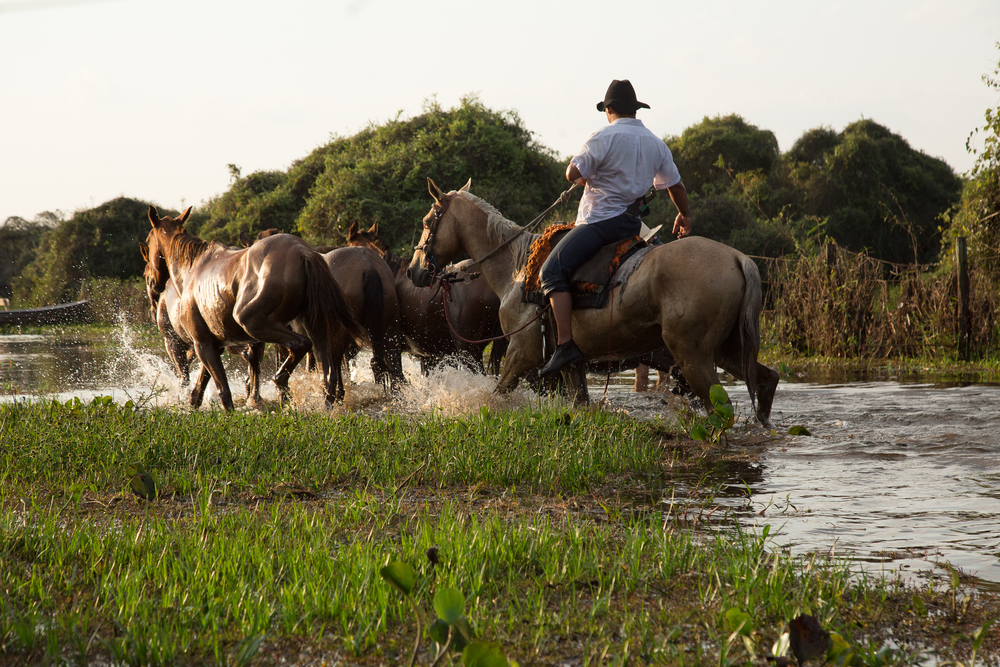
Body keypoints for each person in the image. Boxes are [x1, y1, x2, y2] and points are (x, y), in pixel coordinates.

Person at [538, 79, 692, 377]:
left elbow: (572, 172)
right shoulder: (655, 142)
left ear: (609, 109)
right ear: (634, 110)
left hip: (601, 222)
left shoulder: (603, 136)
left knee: (551, 271)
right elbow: (675, 185)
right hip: (632, 225)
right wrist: (684, 215)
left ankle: (565, 345)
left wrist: (582, 176)